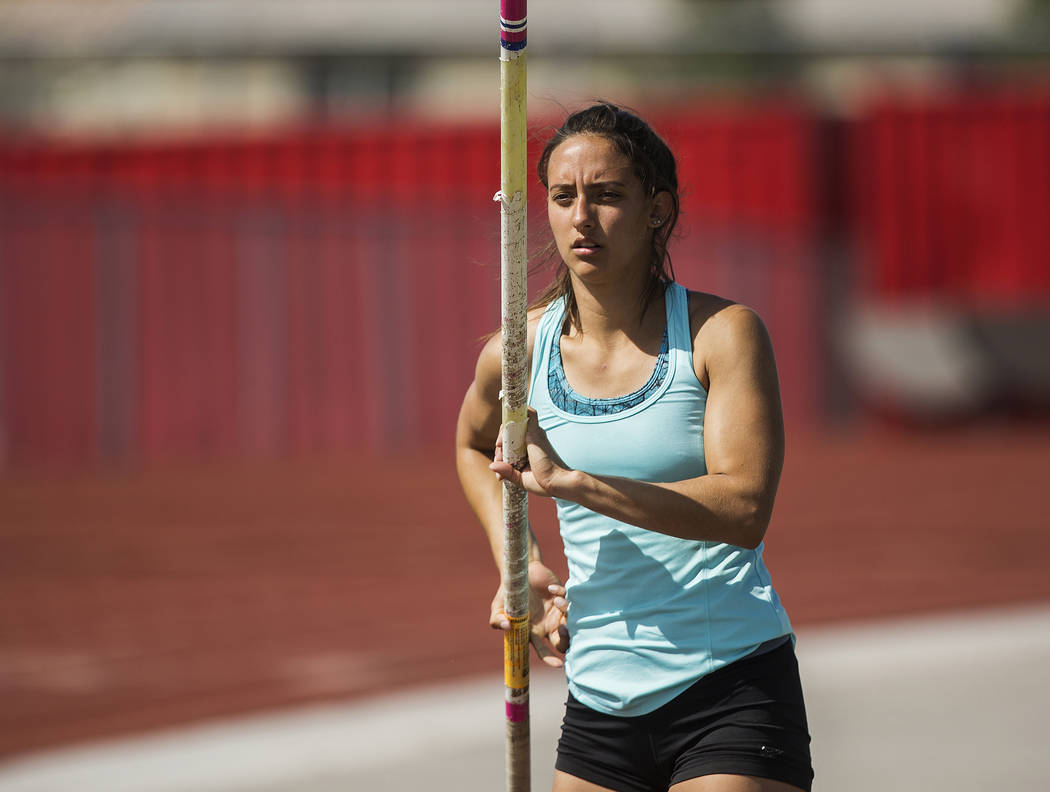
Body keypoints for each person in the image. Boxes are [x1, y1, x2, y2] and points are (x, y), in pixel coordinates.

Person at [455, 102, 813, 792]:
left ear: (657, 209)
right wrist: (519, 561)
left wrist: (571, 482)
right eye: (564, 197)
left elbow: (742, 509)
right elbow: (473, 446)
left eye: (607, 195)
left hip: (728, 688)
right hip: (598, 703)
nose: (581, 217)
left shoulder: (720, 336)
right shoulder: (518, 352)